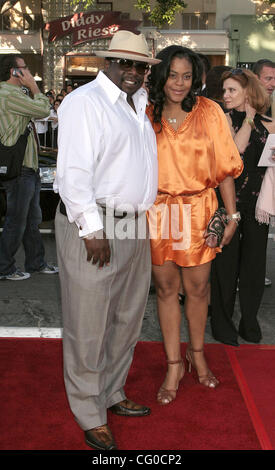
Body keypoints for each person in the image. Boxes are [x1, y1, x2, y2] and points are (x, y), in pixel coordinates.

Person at [54, 31, 160, 450]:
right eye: (125, 64)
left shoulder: (137, 105)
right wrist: (91, 229)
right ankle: (88, 410)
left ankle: (112, 392)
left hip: (135, 223)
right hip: (96, 225)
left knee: (127, 317)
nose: (134, 71)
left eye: (141, 66)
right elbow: (73, 173)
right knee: (88, 323)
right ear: (107, 64)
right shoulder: (86, 103)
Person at [146, 45, 243, 405]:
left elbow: (225, 167)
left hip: (200, 208)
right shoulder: (145, 111)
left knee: (198, 288)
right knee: (166, 288)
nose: (180, 83)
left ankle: (197, 353)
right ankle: (174, 364)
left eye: (187, 76)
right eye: (173, 75)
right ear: (161, 76)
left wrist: (231, 215)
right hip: (157, 210)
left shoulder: (210, 111)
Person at [210, 68, 275, 346]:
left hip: (258, 204)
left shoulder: (270, 123)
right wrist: (248, 119)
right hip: (227, 204)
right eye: (224, 90)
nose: (226, 95)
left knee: (253, 267)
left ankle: (249, 322)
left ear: (248, 91)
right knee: (225, 266)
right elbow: (234, 153)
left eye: (232, 90)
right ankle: (222, 324)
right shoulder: (222, 120)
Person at [0, 54, 59, 280]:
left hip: (29, 166)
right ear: (14, 72)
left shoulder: (16, 94)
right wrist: (35, 87)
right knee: (16, 220)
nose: (29, 73)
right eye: (24, 69)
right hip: (20, 167)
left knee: (32, 219)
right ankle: (4, 267)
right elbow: (44, 110)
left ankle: (36, 262)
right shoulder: (7, 94)